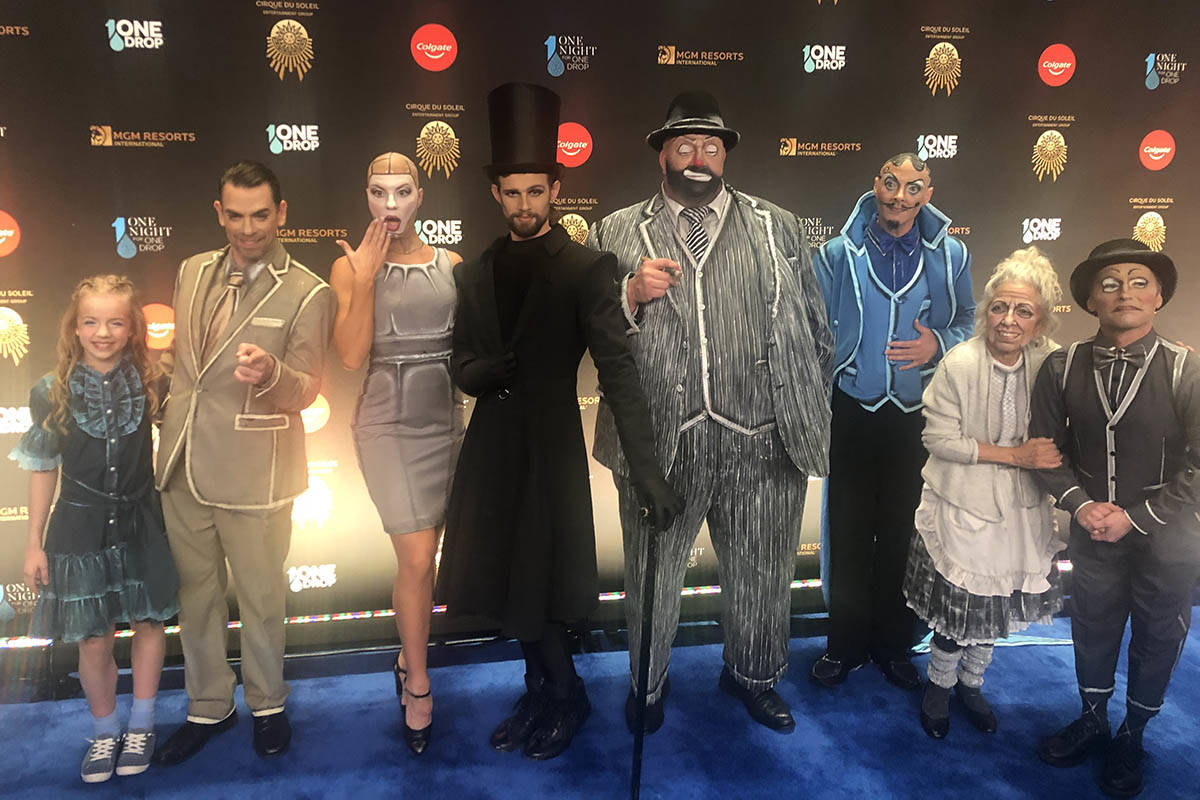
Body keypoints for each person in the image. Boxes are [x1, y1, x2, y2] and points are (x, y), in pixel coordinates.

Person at [437, 82, 679, 761]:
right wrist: (474, 376)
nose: (523, 205)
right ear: (496, 194)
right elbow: (459, 358)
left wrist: (650, 472)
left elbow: (619, 372)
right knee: (506, 580)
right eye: (512, 193)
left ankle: (566, 694)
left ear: (555, 188)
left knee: (537, 584)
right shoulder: (476, 271)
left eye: (535, 192)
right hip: (491, 447)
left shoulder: (585, 268)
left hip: (548, 447)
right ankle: (539, 688)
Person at [587, 90, 834, 734]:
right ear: (661, 156)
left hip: (762, 438)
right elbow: (593, 334)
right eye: (686, 146)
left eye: (712, 148)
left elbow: (814, 323)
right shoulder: (614, 231)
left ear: (724, 156)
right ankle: (647, 683)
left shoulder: (776, 224)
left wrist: (806, 410)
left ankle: (753, 675)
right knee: (653, 576)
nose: (699, 159)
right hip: (663, 446)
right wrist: (630, 293)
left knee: (763, 571)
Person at [152, 161, 334, 764]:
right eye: (235, 215)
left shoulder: (309, 290)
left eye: (261, 215)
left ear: (281, 213)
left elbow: (308, 387)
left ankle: (267, 704)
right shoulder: (190, 270)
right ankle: (208, 704)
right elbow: (188, 371)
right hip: (181, 465)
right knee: (195, 598)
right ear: (219, 212)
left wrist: (274, 374)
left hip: (257, 474)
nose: (248, 229)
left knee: (260, 599)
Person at [1030, 239, 1199, 798]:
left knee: (1157, 634)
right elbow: (1045, 449)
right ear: (1090, 301)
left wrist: (1139, 516)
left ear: (1157, 297)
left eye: (1137, 281)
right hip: (1093, 528)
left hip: (1169, 536)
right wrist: (1082, 506)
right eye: (1109, 283)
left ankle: (1133, 732)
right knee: (1093, 626)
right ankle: (1093, 717)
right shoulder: (1061, 366)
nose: (1123, 291)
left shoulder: (1186, 369)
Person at [812, 152, 974, 691]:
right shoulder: (838, 254)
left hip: (917, 415)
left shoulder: (950, 255)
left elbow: (968, 320)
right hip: (853, 409)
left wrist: (938, 342)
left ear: (927, 193)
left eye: (913, 186)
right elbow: (811, 324)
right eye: (890, 183)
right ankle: (844, 644)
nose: (899, 195)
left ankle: (894, 645)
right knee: (850, 527)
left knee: (907, 530)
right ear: (875, 186)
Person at [12, 275, 180, 782]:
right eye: (91, 321)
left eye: (115, 322)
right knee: (93, 640)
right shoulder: (50, 389)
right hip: (79, 528)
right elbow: (44, 469)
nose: (102, 332)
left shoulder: (154, 380)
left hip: (143, 520)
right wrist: (34, 542)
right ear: (75, 326)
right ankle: (106, 730)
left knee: (151, 623)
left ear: (132, 329)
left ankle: (143, 724)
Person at [902, 246, 1066, 740]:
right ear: (985, 312)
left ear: (1040, 321)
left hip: (1023, 510)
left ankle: (972, 685)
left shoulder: (1054, 363)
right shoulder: (960, 361)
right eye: (999, 307)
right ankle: (939, 686)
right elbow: (938, 440)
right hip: (963, 504)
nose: (1008, 320)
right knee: (960, 607)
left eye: (1023, 310)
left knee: (994, 608)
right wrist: (1015, 456)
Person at [331, 152, 463, 756]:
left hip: (444, 424)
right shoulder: (346, 267)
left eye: (402, 192)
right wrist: (361, 279)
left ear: (420, 197)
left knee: (423, 560)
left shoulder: (453, 265)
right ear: (365, 196)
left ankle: (407, 654)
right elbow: (353, 357)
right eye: (378, 192)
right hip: (386, 426)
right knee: (415, 555)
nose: (390, 205)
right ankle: (419, 682)